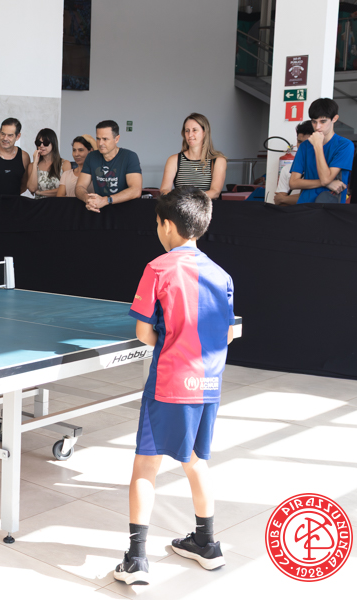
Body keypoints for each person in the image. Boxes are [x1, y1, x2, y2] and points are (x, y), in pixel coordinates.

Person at [114, 186, 235, 586]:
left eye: (157, 224)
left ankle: (136, 559)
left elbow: (143, 333)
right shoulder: (222, 275)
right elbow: (226, 332)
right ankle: (206, 543)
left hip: (169, 382)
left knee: (145, 466)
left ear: (167, 225)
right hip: (208, 383)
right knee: (196, 460)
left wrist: (169, 341)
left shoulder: (158, 268)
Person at [289, 98, 354, 204]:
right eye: (314, 122)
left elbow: (325, 179)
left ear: (334, 118)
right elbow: (293, 183)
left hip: (330, 206)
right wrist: (328, 183)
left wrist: (318, 146)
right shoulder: (305, 146)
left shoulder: (345, 145)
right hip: (304, 205)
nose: (317, 127)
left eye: (323, 121)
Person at [75, 120, 143, 212]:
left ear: (117, 139)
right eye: (98, 139)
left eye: (105, 139)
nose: (100, 143)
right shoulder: (91, 157)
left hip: (125, 211)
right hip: (99, 210)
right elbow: (80, 186)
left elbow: (136, 190)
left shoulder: (129, 156)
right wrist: (87, 199)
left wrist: (106, 200)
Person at [160, 113, 227, 200]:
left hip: (206, 208)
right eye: (187, 130)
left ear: (204, 133)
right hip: (180, 207)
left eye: (195, 130)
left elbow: (215, 192)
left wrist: (189, 199)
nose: (190, 135)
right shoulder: (173, 160)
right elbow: (164, 190)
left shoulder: (218, 161)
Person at [272, 121, 314, 205]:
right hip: (291, 212)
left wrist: (285, 199)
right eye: (299, 142)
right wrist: (285, 199)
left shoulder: (322, 169)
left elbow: (316, 198)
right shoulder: (287, 169)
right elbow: (279, 201)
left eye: (307, 143)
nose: (301, 146)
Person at [25, 128, 71, 198]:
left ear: (53, 143)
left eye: (46, 143)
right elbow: (32, 188)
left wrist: (40, 192)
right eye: (38, 143)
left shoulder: (65, 164)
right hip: (39, 204)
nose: (41, 146)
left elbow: (66, 189)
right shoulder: (32, 165)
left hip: (58, 203)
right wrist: (35, 163)